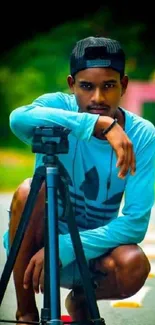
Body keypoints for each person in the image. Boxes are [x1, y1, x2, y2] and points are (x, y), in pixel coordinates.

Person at [4, 35, 155, 324]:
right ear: (72, 84)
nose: (97, 98)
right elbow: (18, 119)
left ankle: (81, 300)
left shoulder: (142, 134)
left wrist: (64, 247)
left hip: (93, 254)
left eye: (109, 86)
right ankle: (26, 313)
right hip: (36, 250)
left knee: (134, 265)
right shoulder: (55, 108)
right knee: (27, 190)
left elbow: (135, 222)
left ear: (123, 85)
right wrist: (96, 123)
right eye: (86, 87)